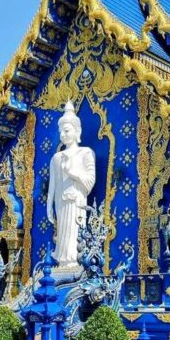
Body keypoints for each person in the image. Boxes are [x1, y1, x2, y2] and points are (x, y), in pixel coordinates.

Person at [46, 100, 96, 270]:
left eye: (67, 130)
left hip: (77, 202)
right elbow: (52, 185)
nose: (63, 134)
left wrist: (72, 172)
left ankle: (74, 263)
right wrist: (49, 206)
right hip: (61, 203)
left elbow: (90, 181)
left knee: (75, 235)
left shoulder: (86, 152)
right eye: (60, 131)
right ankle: (62, 264)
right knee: (62, 236)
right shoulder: (56, 158)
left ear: (77, 131)